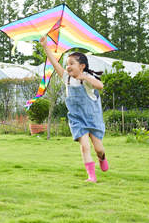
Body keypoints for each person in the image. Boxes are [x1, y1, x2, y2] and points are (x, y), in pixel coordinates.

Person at [39, 36, 109, 182]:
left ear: (82, 66)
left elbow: (100, 86)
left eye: (71, 63)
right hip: (77, 119)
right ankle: (91, 176)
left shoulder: (87, 78)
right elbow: (54, 62)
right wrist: (46, 46)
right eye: (67, 64)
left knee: (99, 149)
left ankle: (102, 158)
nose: (68, 66)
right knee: (84, 146)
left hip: (92, 118)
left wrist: (84, 77)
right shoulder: (67, 78)